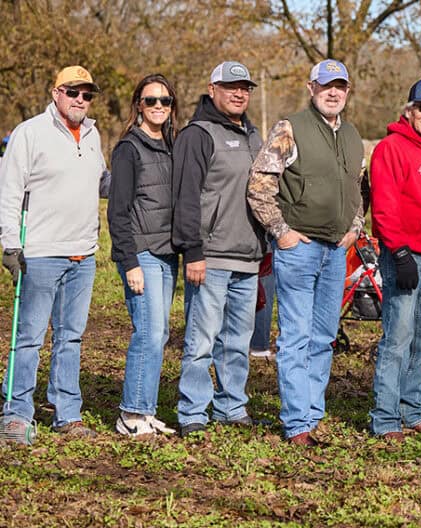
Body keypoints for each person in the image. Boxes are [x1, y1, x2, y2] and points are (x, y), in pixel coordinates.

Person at [248, 59, 365, 446]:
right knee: (297, 336)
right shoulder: (290, 128)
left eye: (341, 87)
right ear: (311, 87)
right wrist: (281, 232)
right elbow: (260, 184)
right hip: (300, 249)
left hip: (336, 251)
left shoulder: (352, 135)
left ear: (347, 92)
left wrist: (355, 228)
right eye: (326, 85)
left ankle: (313, 413)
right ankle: (297, 422)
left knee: (324, 337)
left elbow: (356, 189)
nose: (334, 93)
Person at [0, 65, 108, 442]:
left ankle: (67, 414)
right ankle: (16, 413)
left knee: (71, 337)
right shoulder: (30, 133)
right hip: (41, 254)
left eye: (87, 94)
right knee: (28, 335)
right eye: (73, 92)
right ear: (56, 93)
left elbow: (101, 181)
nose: (80, 99)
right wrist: (10, 243)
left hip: (83, 254)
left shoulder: (93, 135)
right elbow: (10, 190)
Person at [172, 61, 265, 437]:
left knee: (238, 341)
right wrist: (193, 251)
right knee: (201, 340)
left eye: (244, 87)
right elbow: (186, 197)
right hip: (210, 257)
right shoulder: (199, 134)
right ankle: (193, 411)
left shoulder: (253, 135)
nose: (239, 93)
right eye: (231, 87)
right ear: (213, 89)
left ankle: (232, 406)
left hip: (249, 255)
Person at [367, 79, 421, 441]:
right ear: (409, 110)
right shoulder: (390, 148)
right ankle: (385, 418)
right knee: (397, 338)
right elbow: (384, 205)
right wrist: (399, 252)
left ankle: (411, 409)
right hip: (405, 255)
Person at [108, 74, 181, 437]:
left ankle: (146, 409)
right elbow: (117, 211)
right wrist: (129, 261)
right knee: (149, 332)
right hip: (142, 253)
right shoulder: (129, 149)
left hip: (167, 253)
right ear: (139, 104)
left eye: (165, 102)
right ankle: (131, 414)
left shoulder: (169, 145)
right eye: (151, 100)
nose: (158, 107)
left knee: (160, 332)